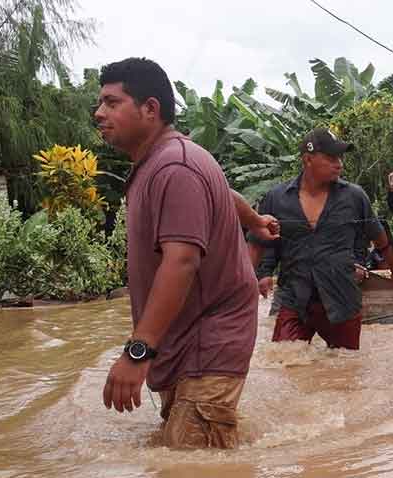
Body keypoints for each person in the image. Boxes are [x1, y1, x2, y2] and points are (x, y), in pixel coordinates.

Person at [95, 58, 278, 449]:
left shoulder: (175, 166)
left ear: (150, 109)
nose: (99, 113)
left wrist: (137, 350)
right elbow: (222, 195)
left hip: (209, 338)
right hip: (183, 339)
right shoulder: (159, 164)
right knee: (191, 448)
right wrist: (255, 220)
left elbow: (182, 260)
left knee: (191, 457)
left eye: (112, 102)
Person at [256, 128, 393, 350]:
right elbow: (267, 240)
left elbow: (379, 237)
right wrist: (264, 273)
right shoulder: (277, 198)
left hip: (341, 297)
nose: (339, 164)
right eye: (330, 158)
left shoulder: (354, 196)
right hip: (295, 298)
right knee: (284, 360)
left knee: (345, 369)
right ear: (308, 159)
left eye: (340, 158)